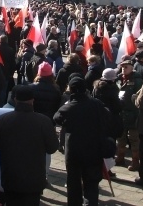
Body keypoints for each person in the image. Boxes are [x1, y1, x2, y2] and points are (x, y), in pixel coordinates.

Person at [0, 85, 58, 206]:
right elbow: (52, 147)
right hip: (35, 178)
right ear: (32, 100)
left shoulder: (3, 120)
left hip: (10, 177)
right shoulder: (44, 121)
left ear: (15, 100)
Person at [54, 76, 114, 206]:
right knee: (91, 183)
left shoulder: (69, 107)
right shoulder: (96, 104)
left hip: (74, 151)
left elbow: (57, 118)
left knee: (73, 183)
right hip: (94, 149)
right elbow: (107, 115)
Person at [116, 56, 143, 172]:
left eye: (126, 67)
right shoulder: (119, 79)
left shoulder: (137, 80)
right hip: (121, 113)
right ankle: (120, 157)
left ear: (132, 68)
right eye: (122, 67)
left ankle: (135, 161)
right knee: (120, 137)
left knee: (134, 139)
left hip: (133, 114)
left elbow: (140, 97)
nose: (123, 69)